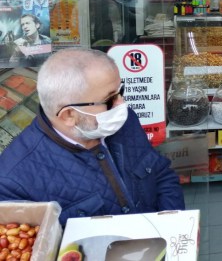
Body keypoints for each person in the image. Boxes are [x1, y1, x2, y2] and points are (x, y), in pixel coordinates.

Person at [0, 48, 184, 225]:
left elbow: (161, 174)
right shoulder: (14, 182)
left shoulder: (124, 122)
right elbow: (33, 242)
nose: (121, 103)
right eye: (110, 99)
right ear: (69, 115)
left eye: (120, 91)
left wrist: (171, 227)